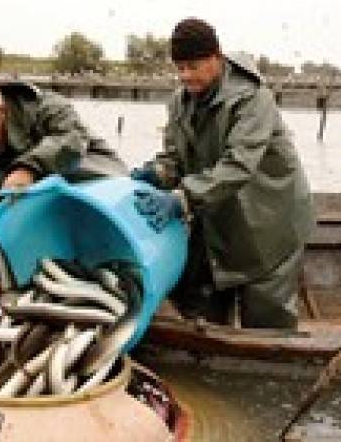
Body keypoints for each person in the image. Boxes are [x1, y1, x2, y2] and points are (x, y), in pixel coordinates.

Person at [131, 18, 314, 329]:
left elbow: (240, 163)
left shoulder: (254, 98)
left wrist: (182, 197)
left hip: (271, 222)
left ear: (216, 57)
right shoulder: (179, 102)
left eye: (193, 66)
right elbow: (176, 157)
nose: (185, 76)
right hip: (219, 214)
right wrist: (157, 172)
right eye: (179, 68)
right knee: (200, 311)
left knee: (266, 323)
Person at [0, 81, 127, 293]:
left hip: (103, 187)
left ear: (0, 113)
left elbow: (71, 141)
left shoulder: (48, 107)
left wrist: (29, 168)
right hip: (47, 220)